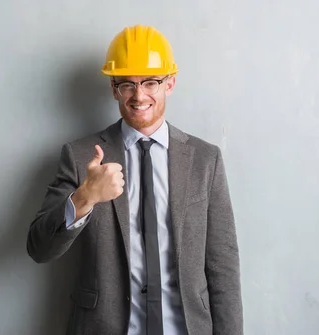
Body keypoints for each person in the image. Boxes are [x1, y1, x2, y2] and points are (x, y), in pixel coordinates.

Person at [26, 24, 243, 335]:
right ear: (114, 89)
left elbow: (224, 265)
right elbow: (39, 248)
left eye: (150, 82)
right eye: (127, 84)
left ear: (170, 83)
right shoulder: (80, 156)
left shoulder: (205, 159)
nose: (139, 96)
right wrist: (85, 197)